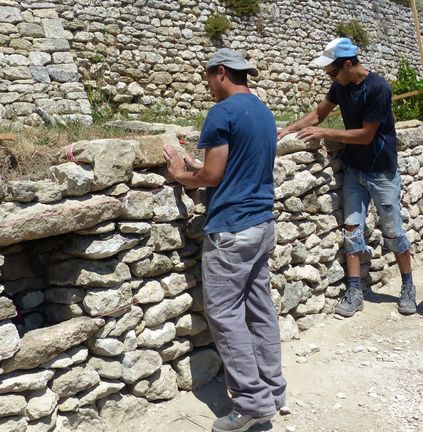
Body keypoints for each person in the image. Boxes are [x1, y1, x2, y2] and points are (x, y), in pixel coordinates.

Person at [164, 48, 287, 432]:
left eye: (207, 78)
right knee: (260, 308)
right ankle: (272, 389)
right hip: (262, 224)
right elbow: (239, 165)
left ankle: (251, 403)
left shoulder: (222, 113)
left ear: (221, 72)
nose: (208, 86)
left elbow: (213, 177)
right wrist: (203, 167)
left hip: (232, 228)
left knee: (225, 313)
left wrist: (181, 174)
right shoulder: (262, 111)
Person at [278, 37, 416, 318]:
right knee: (352, 230)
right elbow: (318, 114)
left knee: (393, 231)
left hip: (382, 172)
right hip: (354, 171)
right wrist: (288, 130)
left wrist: (326, 133)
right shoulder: (340, 85)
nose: (330, 78)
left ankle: (408, 286)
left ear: (349, 64)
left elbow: (366, 135)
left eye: (332, 72)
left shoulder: (378, 88)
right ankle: (354, 292)